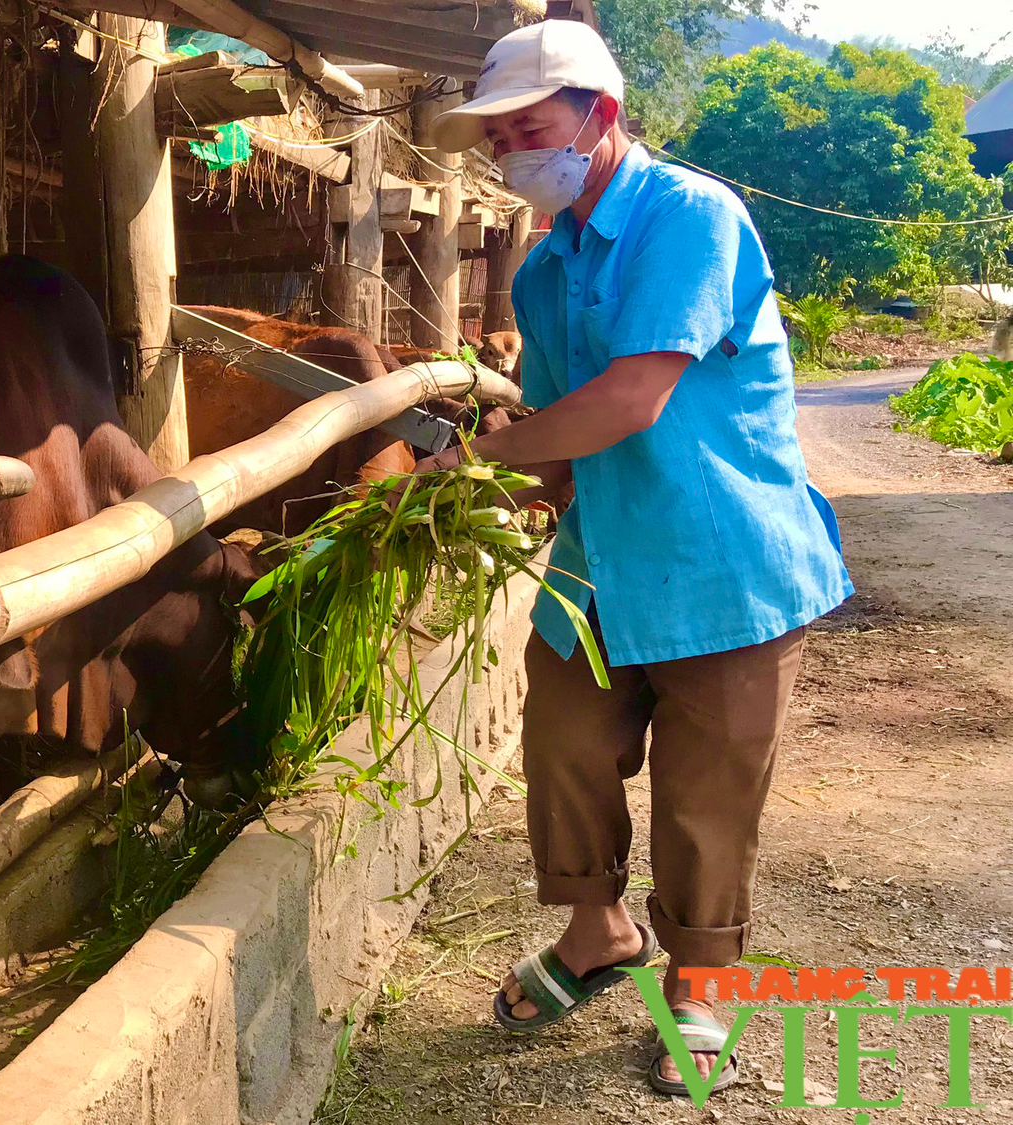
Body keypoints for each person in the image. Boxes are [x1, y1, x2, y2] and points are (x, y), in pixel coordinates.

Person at [413, 19, 852, 1097]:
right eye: (498, 140)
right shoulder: (543, 270)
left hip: (720, 557)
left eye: (532, 130)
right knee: (560, 736)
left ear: (598, 119)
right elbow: (561, 429)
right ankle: (596, 931)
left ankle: (703, 981)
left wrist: (479, 448)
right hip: (600, 557)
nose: (514, 155)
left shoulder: (688, 217)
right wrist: (478, 491)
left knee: (706, 786)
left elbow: (628, 398)